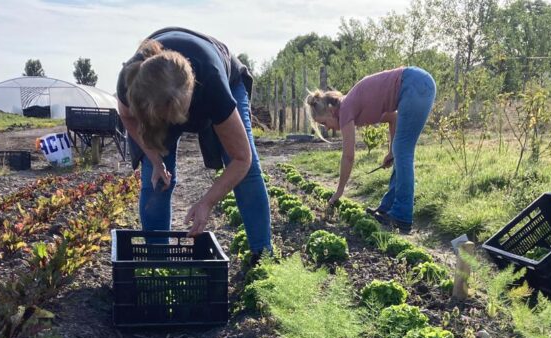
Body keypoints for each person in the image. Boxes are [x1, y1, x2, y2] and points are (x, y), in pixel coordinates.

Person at [117, 27, 271, 257]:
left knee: (247, 174)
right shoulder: (133, 80)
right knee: (155, 181)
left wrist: (207, 202)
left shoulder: (212, 85)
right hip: (160, 97)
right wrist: (155, 159)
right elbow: (127, 116)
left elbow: (242, 158)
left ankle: (263, 256)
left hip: (224, 77)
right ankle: (157, 259)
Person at [304, 67, 436, 233]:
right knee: (400, 152)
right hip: (418, 82)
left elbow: (348, 157)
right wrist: (391, 152)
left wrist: (339, 191)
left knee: (403, 152)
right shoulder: (353, 106)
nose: (328, 129)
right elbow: (392, 118)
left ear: (331, 111)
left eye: (324, 123)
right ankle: (388, 209)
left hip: (414, 84)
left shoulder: (345, 109)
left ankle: (402, 216)